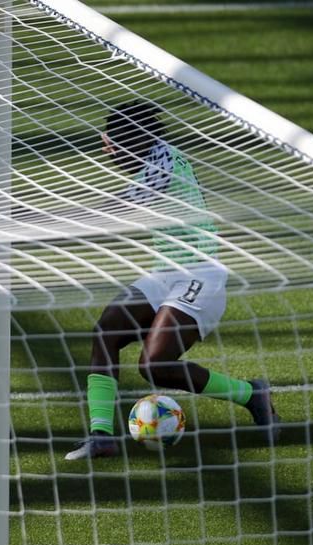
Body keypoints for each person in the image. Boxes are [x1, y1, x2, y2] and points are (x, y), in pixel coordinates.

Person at [64, 101, 279, 460]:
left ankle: (250, 393)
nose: (107, 147)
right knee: (107, 330)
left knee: (154, 365)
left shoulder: (161, 166)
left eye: (113, 142)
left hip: (199, 276)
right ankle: (100, 435)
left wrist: (35, 218)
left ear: (134, 143)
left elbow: (110, 211)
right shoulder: (155, 155)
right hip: (165, 274)